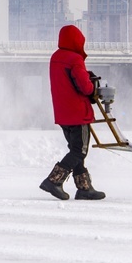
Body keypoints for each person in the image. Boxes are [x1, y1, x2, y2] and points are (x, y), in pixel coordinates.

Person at [40, 25, 106, 200]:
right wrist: (92, 85)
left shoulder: (56, 57)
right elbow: (85, 87)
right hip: (78, 113)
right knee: (79, 151)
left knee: (75, 150)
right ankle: (53, 181)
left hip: (62, 113)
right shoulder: (75, 59)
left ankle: (84, 188)